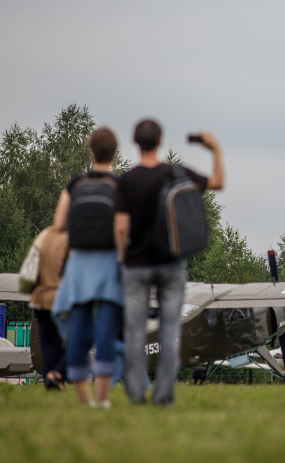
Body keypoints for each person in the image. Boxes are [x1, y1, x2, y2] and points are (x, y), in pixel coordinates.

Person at [114, 121, 223, 406]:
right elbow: (217, 183)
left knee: (136, 332)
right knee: (170, 330)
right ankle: (163, 396)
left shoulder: (126, 180)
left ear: (135, 141)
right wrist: (215, 149)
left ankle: (137, 394)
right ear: (160, 141)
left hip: (136, 265)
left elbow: (122, 227)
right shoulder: (177, 174)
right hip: (171, 263)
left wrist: (122, 258)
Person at [52, 127, 123, 407]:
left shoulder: (75, 185)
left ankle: (83, 400)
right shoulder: (119, 187)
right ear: (115, 152)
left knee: (78, 331)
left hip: (79, 263)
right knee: (106, 332)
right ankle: (103, 399)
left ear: (90, 150)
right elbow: (123, 228)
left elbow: (59, 224)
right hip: (108, 262)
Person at [30, 226, 69, 391]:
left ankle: (51, 381)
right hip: (59, 298)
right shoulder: (71, 240)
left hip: (39, 298)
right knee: (78, 340)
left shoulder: (44, 235)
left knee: (49, 344)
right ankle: (58, 373)